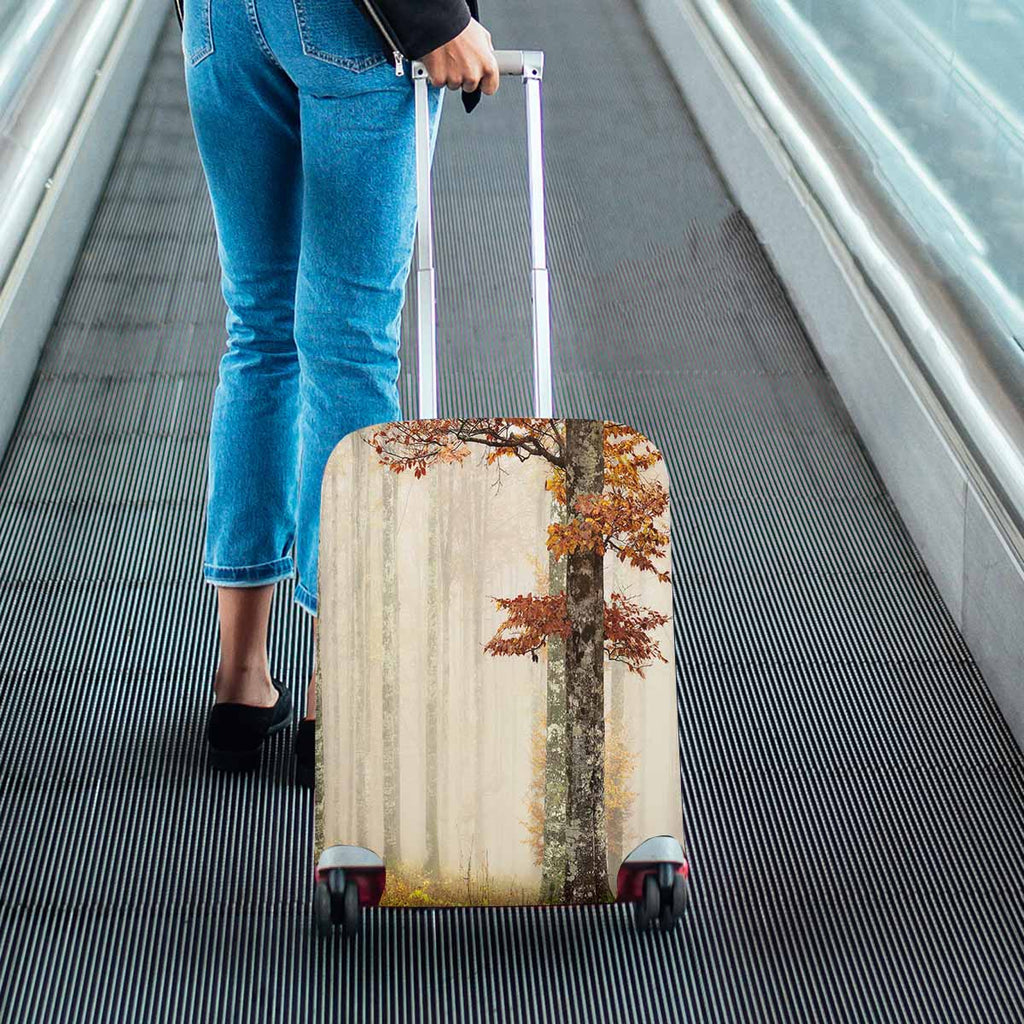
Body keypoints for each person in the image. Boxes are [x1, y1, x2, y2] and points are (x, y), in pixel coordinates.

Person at [181, 0, 499, 784]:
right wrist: (435, 18)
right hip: (350, 27)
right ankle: (338, 697)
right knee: (348, 348)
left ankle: (240, 682)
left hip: (220, 25)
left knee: (259, 333)